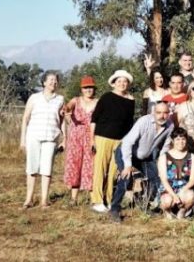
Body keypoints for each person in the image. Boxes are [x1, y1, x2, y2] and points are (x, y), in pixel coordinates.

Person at [109, 101, 174, 222]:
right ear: (153, 112)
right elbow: (127, 143)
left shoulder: (170, 125)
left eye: (165, 113)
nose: (162, 116)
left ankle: (143, 202)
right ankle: (114, 208)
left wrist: (161, 161)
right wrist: (128, 166)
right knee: (126, 177)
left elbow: (166, 145)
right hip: (125, 151)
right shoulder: (144, 121)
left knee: (157, 177)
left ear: (169, 113)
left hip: (145, 156)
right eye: (159, 112)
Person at [89, 70, 135, 213]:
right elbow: (94, 119)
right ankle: (97, 200)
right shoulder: (106, 97)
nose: (122, 84)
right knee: (100, 168)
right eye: (119, 81)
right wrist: (92, 139)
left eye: (125, 81)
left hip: (120, 140)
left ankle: (109, 199)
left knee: (114, 171)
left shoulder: (131, 100)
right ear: (114, 83)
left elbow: (129, 123)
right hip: (103, 137)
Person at [20, 72, 65, 209]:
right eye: (50, 80)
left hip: (51, 136)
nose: (53, 83)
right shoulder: (34, 98)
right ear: (44, 83)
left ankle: (44, 200)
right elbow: (25, 118)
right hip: (33, 135)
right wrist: (23, 139)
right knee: (32, 168)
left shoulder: (61, 99)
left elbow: (62, 120)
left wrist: (65, 138)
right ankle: (29, 199)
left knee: (47, 169)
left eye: (56, 80)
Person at [62, 75, 98, 204]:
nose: (88, 90)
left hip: (91, 136)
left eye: (91, 87)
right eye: (86, 87)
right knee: (75, 164)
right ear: (81, 89)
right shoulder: (76, 100)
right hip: (75, 136)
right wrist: (66, 110)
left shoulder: (98, 102)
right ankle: (73, 198)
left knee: (90, 165)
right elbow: (68, 107)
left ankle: (93, 198)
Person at [158, 127, 194, 219]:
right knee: (167, 200)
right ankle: (167, 211)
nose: (181, 142)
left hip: (184, 188)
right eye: (177, 139)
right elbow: (163, 179)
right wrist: (173, 195)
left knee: (190, 196)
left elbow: (192, 180)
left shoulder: (192, 157)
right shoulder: (164, 156)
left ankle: (182, 211)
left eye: (183, 139)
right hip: (168, 189)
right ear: (172, 140)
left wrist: (182, 191)